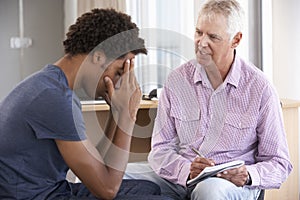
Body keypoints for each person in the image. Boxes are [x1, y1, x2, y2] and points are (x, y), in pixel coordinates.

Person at [125, 0, 292, 199]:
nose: (202, 43)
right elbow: (160, 150)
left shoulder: (260, 88)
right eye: (198, 33)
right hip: (181, 177)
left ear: (236, 40)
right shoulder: (177, 80)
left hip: (230, 184)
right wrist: (187, 170)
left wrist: (248, 175)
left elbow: (279, 163)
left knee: (209, 191)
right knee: (112, 176)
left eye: (213, 37)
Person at [0, 8, 171, 200]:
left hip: (51, 190)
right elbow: (107, 189)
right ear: (98, 57)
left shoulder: (50, 84)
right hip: (36, 197)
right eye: (118, 72)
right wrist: (127, 115)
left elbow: (99, 167)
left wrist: (116, 114)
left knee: (149, 188)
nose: (119, 82)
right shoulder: (55, 99)